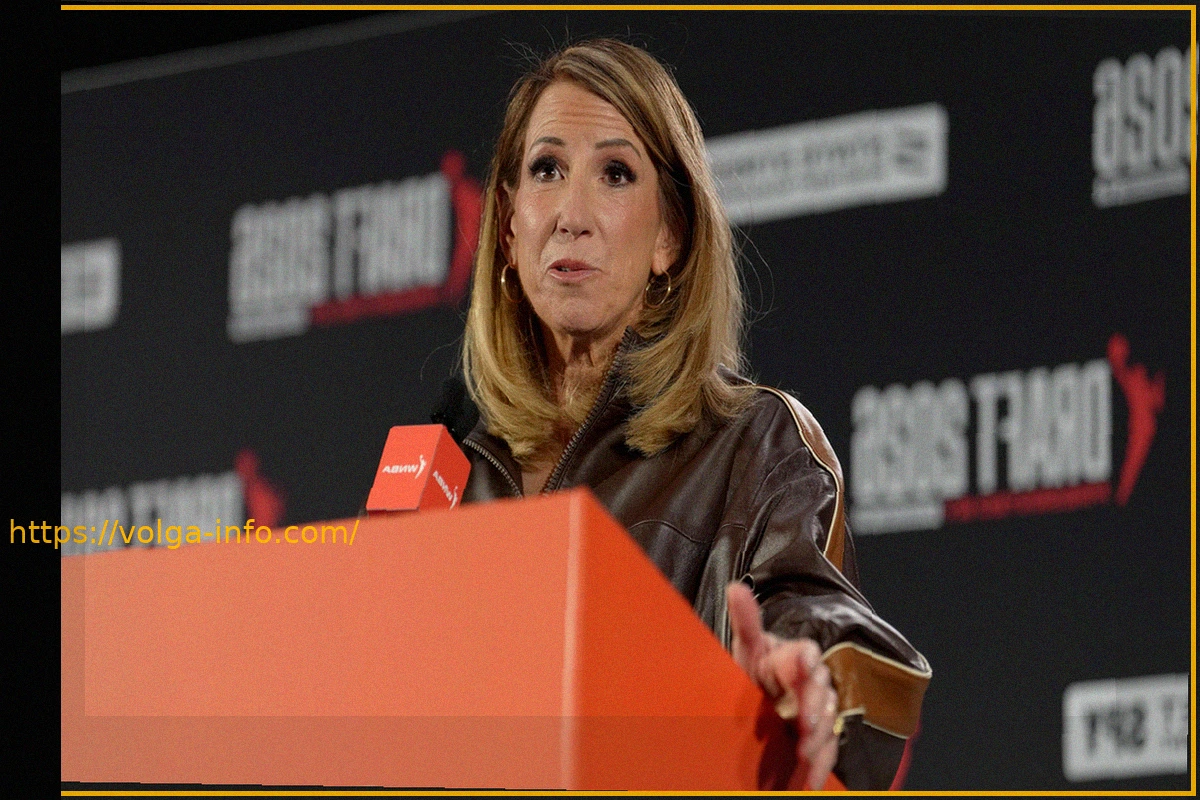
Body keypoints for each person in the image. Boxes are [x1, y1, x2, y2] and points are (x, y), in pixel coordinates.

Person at [435, 38, 931, 791]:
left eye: (615, 174)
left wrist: (809, 674)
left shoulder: (754, 444)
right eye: (546, 169)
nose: (571, 214)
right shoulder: (452, 475)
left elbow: (812, 611)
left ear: (669, 234)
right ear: (507, 228)